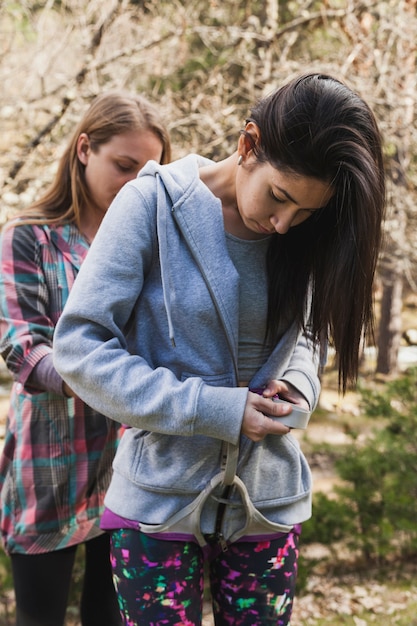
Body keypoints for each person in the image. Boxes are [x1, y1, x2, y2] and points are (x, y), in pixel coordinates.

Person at [53, 73, 385, 626]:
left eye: (305, 212)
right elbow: (80, 348)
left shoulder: (301, 232)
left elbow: (307, 333)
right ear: (248, 144)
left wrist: (299, 384)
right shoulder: (150, 204)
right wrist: (218, 410)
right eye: (280, 197)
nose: (285, 224)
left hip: (266, 506)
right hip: (157, 509)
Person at [0, 91, 171, 626]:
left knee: (112, 618)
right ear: (83, 150)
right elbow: (22, 348)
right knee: (39, 617)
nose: (135, 183)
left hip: (129, 469)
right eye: (123, 165)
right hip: (48, 465)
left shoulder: (155, 247)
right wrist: (106, 378)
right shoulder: (29, 238)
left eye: (149, 174)